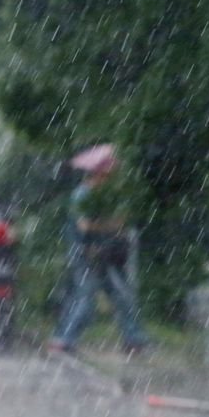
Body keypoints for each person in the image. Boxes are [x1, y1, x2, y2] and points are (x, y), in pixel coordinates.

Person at [48, 146, 149, 354]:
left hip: (104, 254)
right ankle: (64, 340)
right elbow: (84, 225)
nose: (113, 174)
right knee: (86, 300)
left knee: (121, 297)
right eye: (110, 170)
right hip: (85, 255)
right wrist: (113, 225)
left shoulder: (103, 195)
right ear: (100, 172)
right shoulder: (82, 195)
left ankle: (134, 339)